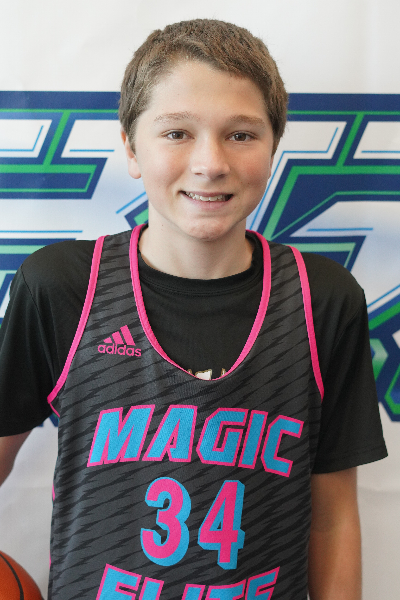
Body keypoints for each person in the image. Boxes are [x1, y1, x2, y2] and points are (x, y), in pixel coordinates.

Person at [0, 19, 387, 600]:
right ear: (131, 147)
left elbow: (331, 519)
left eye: (241, 134)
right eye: (177, 132)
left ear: (274, 147)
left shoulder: (322, 299)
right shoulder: (63, 287)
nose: (210, 162)